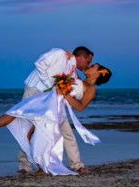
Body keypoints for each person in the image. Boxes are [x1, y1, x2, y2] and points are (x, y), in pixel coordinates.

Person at [0, 63, 112, 175]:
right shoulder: (78, 78)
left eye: (94, 66)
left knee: (38, 136)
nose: (89, 66)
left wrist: (65, 94)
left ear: (99, 73)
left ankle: (42, 168)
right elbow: (66, 73)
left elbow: (80, 107)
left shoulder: (91, 89)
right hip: (47, 100)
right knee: (18, 112)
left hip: (55, 110)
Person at [16, 45, 93, 174]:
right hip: (34, 90)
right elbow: (39, 63)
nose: (88, 65)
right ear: (81, 57)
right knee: (29, 128)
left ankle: (77, 164)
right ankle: (24, 164)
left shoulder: (73, 70)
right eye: (88, 62)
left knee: (66, 130)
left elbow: (78, 84)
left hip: (52, 99)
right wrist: (50, 85)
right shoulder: (60, 54)